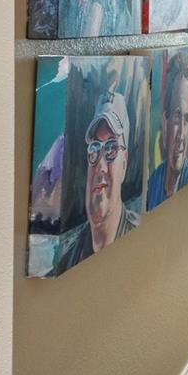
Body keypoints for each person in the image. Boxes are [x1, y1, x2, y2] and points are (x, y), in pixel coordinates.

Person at [58, 89, 139, 271]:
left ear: (124, 164)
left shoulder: (138, 240)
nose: (100, 167)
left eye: (111, 149)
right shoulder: (67, 260)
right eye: (94, 149)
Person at [147, 51, 188, 208]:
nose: (181, 135)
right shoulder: (154, 181)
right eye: (176, 117)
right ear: (165, 121)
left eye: (186, 119)